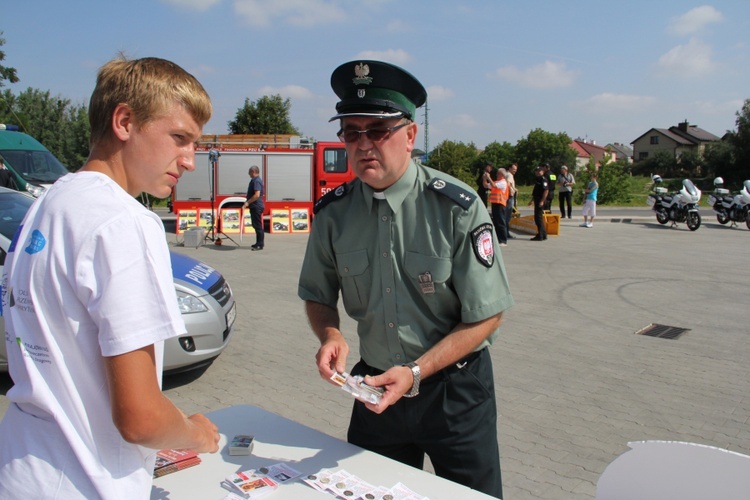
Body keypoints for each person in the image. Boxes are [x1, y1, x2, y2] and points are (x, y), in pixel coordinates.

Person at [0, 56, 220, 498]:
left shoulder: (48, 203)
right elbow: (140, 419)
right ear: (124, 121)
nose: (190, 160)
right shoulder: (125, 222)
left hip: (23, 465)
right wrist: (197, 434)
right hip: (85, 478)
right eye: (180, 138)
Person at [298, 60, 513, 499]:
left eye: (377, 130)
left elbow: (488, 316)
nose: (363, 145)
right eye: (351, 132)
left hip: (454, 393)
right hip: (376, 392)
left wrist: (416, 372)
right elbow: (318, 295)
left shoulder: (457, 207)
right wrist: (331, 333)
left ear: (410, 135)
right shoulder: (333, 214)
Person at [242, 165, 265, 250]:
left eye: (249, 172)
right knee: (256, 225)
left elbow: (257, 195)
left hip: (256, 206)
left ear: (253, 172)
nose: (249, 174)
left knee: (258, 226)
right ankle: (258, 242)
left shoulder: (256, 181)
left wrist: (247, 202)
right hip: (255, 206)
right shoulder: (255, 180)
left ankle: (260, 244)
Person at [489, 167, 510, 246]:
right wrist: (485, 179)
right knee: (496, 222)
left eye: (498, 173)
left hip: (500, 204)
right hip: (495, 203)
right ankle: (498, 239)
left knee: (501, 222)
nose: (496, 174)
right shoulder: (497, 182)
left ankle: (503, 240)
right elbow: (487, 185)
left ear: (501, 175)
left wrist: (488, 177)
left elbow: (493, 185)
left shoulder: (503, 182)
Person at [529, 166, 549, 241]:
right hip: (537, 199)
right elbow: (536, 192)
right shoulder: (538, 180)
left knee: (538, 218)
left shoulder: (543, 180)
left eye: (539, 171)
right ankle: (543, 234)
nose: (538, 172)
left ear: (543, 172)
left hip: (540, 201)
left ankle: (540, 235)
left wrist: (542, 201)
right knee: (538, 218)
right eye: (537, 171)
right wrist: (531, 200)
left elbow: (546, 191)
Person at [504, 163, 518, 239]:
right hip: (510, 197)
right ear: (509, 168)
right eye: (514, 169)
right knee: (508, 216)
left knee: (507, 215)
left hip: (509, 196)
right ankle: (506, 233)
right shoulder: (509, 175)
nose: (515, 171)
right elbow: (508, 184)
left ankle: (506, 232)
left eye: (516, 169)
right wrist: (511, 192)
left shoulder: (508, 174)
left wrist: (514, 189)